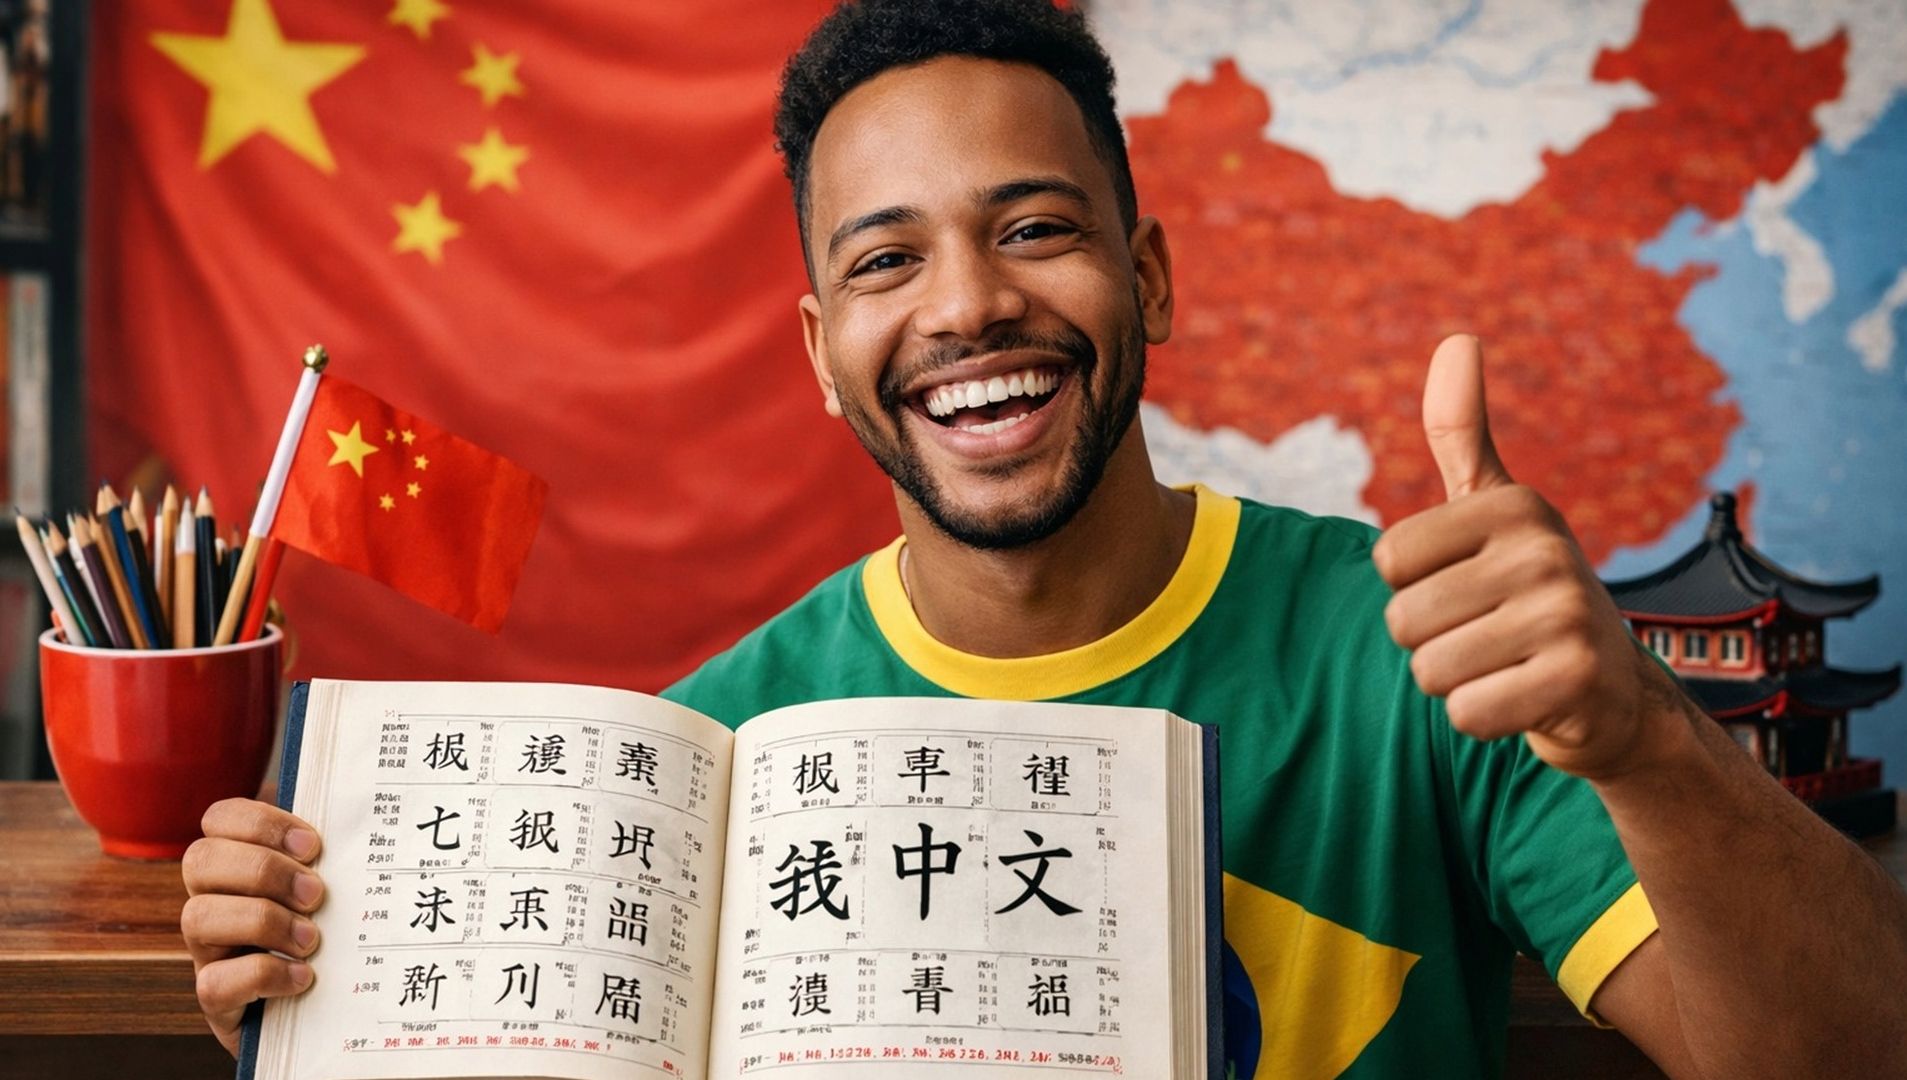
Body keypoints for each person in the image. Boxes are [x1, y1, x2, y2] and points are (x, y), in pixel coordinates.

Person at [179, 1, 1907, 1076]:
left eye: (1033, 229)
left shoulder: (1426, 657)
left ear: (1147, 279)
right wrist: (318, 1008)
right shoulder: (714, 752)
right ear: (821, 353)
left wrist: (1643, 738)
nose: (968, 307)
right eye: (886, 261)